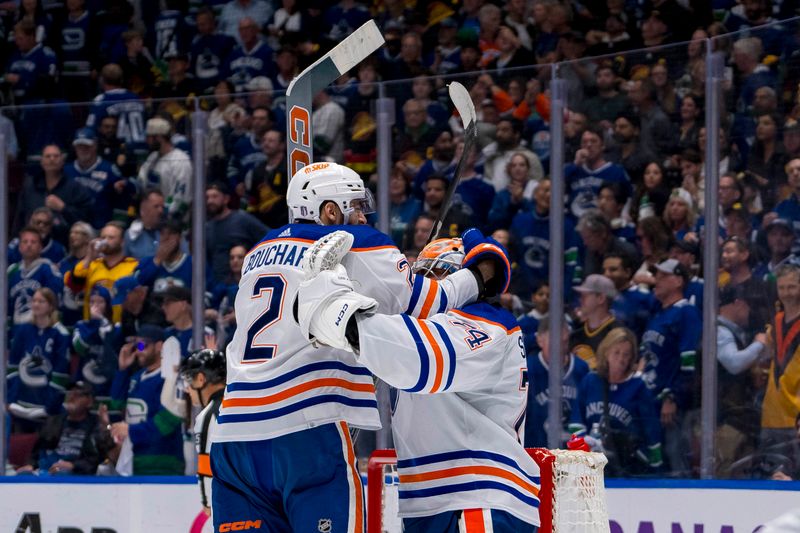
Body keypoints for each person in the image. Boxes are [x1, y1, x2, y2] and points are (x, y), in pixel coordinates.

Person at [209, 163, 505, 531]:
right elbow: (428, 303)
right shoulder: (357, 240)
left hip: (233, 435)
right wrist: (479, 276)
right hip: (306, 428)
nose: (362, 216)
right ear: (330, 211)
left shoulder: (255, 254)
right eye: (355, 206)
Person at [295, 235, 540, 531]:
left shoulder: (486, 322)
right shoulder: (421, 328)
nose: (422, 288)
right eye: (418, 276)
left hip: (478, 496)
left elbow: (418, 359)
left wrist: (337, 311)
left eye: (432, 274)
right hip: (431, 501)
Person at [640, 259, 702, 476]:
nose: (657, 281)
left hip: (671, 405)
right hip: (650, 399)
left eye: (663, 277)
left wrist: (673, 397)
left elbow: (688, 362)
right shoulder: (658, 314)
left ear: (678, 281)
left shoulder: (686, 313)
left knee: (675, 455)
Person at [577, 327, 662, 476]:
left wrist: (656, 469)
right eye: (616, 352)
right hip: (590, 469)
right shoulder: (590, 381)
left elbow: (651, 431)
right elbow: (576, 422)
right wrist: (584, 446)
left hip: (626, 469)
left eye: (626, 354)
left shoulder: (638, 386)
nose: (621, 359)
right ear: (606, 352)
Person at [109, 324, 184, 475]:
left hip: (163, 463)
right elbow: (115, 408)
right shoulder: (136, 378)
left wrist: (131, 431)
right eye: (135, 346)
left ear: (159, 346)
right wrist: (122, 371)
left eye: (142, 345)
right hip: (134, 461)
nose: (137, 351)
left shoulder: (171, 379)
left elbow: (166, 422)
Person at [716, 284, 767, 476]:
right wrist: (759, 344)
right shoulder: (720, 331)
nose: (750, 312)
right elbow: (734, 363)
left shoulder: (733, 333)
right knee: (724, 471)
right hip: (724, 421)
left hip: (736, 420)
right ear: (738, 303)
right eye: (748, 307)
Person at [15, 381, 113, 476]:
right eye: (70, 393)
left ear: (90, 402)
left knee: (62, 475)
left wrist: (73, 465)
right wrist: (30, 465)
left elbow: (98, 459)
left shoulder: (95, 424)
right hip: (47, 469)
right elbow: (37, 450)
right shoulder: (54, 420)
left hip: (75, 473)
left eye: (78, 394)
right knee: (24, 475)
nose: (72, 397)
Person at [7, 288, 71, 433]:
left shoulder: (60, 334)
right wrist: (10, 399)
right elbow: (12, 365)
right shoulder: (23, 330)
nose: (36, 304)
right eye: (34, 301)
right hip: (20, 404)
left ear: (51, 306)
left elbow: (60, 374)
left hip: (45, 408)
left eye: (41, 301)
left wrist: (50, 407)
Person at [525, 319, 589, 449]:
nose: (560, 348)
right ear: (540, 341)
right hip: (536, 453)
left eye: (564, 342)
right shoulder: (528, 369)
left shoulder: (581, 368)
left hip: (573, 456)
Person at [12, 144, 93, 242]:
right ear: (41, 161)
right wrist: (16, 239)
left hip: (65, 245)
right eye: (48, 156)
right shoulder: (30, 187)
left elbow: (86, 218)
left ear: (62, 161)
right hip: (33, 245)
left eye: (56, 156)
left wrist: (63, 208)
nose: (52, 159)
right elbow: (19, 218)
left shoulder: (75, 188)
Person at [180, 348, 226, 516]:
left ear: (201, 379)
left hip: (235, 503)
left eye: (188, 381)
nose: (187, 389)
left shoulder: (208, 416)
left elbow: (207, 466)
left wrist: (207, 503)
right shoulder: (244, 402)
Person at [761, 264, 800, 454]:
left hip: (796, 414)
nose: (786, 293)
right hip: (772, 413)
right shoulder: (775, 321)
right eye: (782, 288)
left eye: (792, 287)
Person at [67, 221, 138, 322]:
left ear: (122, 241)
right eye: (103, 237)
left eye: (111, 238)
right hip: (91, 326)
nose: (105, 241)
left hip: (119, 327)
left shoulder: (133, 266)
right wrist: (89, 256)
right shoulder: (91, 264)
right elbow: (74, 285)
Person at [205, 181, 268, 283]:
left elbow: (269, 238)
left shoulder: (241, 219)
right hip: (218, 288)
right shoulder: (207, 228)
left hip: (245, 283)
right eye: (207, 197)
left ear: (226, 199)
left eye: (214, 196)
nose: (210, 201)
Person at [564, 126, 631, 220]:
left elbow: (629, 196)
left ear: (602, 145)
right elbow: (555, 187)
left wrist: (624, 214)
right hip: (573, 228)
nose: (588, 145)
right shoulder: (572, 169)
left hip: (602, 228)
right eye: (584, 142)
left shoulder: (616, 172)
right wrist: (575, 164)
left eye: (593, 141)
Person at [137, 118, 193, 223]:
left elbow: (180, 198)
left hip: (171, 224)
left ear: (159, 137)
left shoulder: (180, 161)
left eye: (149, 137)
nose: (146, 141)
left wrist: (164, 216)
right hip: (151, 220)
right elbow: (141, 183)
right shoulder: (152, 157)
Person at [8, 226, 63, 327]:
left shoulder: (48, 270)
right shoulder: (12, 271)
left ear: (40, 247)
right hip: (15, 330)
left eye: (33, 242)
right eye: (25, 242)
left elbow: (54, 302)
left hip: (39, 329)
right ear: (19, 247)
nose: (29, 245)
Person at [72, 286, 116, 402]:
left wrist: (105, 326)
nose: (95, 306)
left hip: (108, 384)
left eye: (100, 301)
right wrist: (96, 323)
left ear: (107, 305)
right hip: (85, 383)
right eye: (92, 301)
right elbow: (80, 348)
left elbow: (115, 350)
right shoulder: (81, 325)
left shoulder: (115, 328)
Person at [570, 274, 621, 369]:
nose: (580, 300)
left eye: (584, 296)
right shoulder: (576, 331)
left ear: (601, 298)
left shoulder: (618, 334)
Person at [604, 252, 657, 338]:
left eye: (613, 270)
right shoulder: (601, 298)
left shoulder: (645, 298)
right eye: (604, 270)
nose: (607, 274)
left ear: (627, 272)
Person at [135, 219, 192, 294]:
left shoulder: (193, 264)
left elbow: (207, 294)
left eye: (171, 233)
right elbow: (136, 285)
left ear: (180, 238)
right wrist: (157, 261)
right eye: (162, 233)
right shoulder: (146, 262)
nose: (166, 237)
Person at [124, 188, 166, 260]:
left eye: (162, 207)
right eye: (156, 206)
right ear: (143, 210)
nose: (161, 211)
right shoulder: (131, 235)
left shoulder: (171, 233)